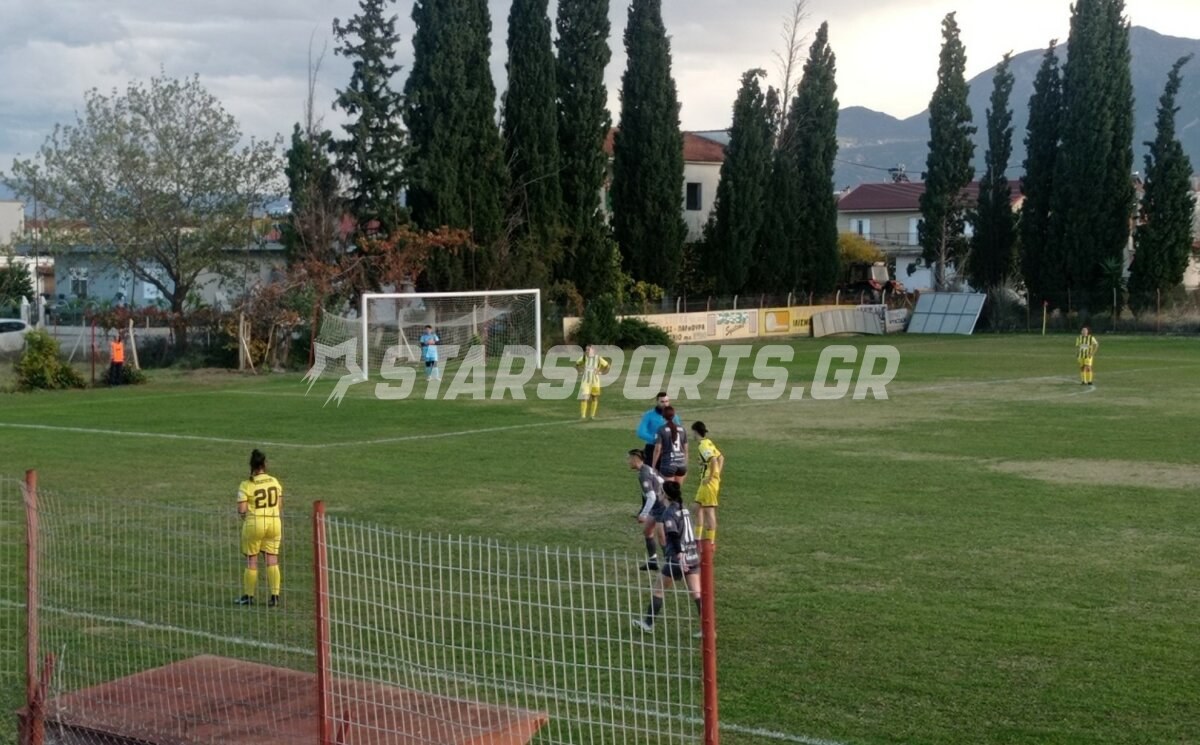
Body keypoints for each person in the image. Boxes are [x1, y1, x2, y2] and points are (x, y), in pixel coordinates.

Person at [632, 481, 701, 636]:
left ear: (665, 494)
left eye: (660, 491)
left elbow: (671, 534)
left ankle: (648, 623)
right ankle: (708, 628)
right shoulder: (684, 508)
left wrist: (676, 553)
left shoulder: (668, 512)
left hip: (678, 558)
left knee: (658, 588)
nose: (658, 494)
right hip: (693, 556)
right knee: (696, 593)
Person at [236, 449, 283, 607]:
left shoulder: (246, 485)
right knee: (272, 559)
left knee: (252, 560)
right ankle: (275, 596)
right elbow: (279, 505)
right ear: (265, 464)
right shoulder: (274, 481)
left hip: (255, 524)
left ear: (252, 466)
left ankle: (249, 596)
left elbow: (242, 510)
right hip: (274, 523)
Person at [629, 448, 666, 571]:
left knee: (662, 537)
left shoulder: (643, 474)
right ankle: (653, 561)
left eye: (630, 459)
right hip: (659, 505)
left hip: (662, 507)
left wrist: (644, 514)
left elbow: (651, 496)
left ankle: (671, 564)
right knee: (648, 531)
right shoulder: (648, 469)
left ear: (636, 459)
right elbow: (662, 481)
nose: (628, 461)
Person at [691, 421, 724, 546]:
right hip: (704, 482)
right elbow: (721, 457)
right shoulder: (708, 442)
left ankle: (711, 542)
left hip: (708, 483)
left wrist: (711, 477)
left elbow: (714, 460)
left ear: (695, 432)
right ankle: (697, 540)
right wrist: (717, 474)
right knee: (696, 508)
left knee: (709, 511)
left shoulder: (703, 446)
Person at [636, 392, 680, 465]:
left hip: (668, 449)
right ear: (657, 402)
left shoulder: (674, 416)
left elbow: (678, 432)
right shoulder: (649, 415)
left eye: (666, 401)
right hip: (652, 448)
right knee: (651, 474)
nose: (665, 404)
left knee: (667, 474)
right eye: (662, 402)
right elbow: (640, 432)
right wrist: (656, 440)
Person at [652, 406, 688, 484]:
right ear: (674, 416)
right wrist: (685, 465)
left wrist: (653, 466)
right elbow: (686, 450)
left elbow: (657, 449)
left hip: (668, 464)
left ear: (663, 416)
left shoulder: (661, 429)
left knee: (668, 492)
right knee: (676, 492)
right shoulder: (682, 429)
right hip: (681, 464)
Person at [574, 345, 611, 419]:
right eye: (586, 350)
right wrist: (581, 370)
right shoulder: (584, 357)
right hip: (585, 381)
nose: (587, 351)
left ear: (593, 351)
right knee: (584, 397)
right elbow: (577, 364)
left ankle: (592, 415)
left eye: (588, 350)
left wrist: (601, 372)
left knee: (594, 397)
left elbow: (607, 366)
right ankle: (583, 416)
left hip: (595, 381)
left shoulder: (598, 358)